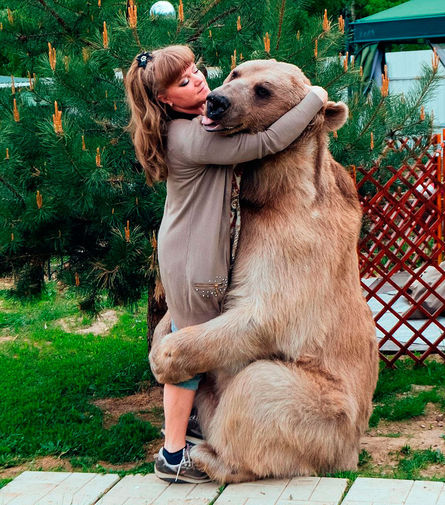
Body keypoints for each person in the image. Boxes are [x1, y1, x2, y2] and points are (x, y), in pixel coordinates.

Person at [124, 45, 327, 483]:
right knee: (185, 353)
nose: (201, 82)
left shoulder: (193, 125)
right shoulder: (193, 137)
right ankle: (173, 455)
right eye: (182, 83)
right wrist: (315, 99)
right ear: (164, 100)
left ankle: (190, 428)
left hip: (186, 250)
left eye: (196, 71)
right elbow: (269, 141)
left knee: (190, 340)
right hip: (194, 259)